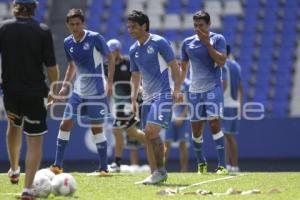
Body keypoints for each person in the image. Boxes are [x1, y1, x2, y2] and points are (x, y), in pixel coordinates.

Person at [0, 0, 59, 199]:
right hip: (35, 93)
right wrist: (54, 88)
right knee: (34, 141)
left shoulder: (3, 28)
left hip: (10, 91)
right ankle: (27, 189)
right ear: (34, 8)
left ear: (14, 7)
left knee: (14, 125)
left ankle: (14, 168)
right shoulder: (42, 30)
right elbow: (51, 66)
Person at [49, 9, 115, 176]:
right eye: (72, 24)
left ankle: (104, 168)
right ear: (67, 25)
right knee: (65, 123)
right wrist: (65, 86)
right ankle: (57, 165)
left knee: (96, 129)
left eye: (78, 24)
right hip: (78, 91)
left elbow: (111, 58)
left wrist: (110, 83)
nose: (75, 27)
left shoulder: (95, 38)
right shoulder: (67, 42)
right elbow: (72, 66)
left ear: (83, 23)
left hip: (96, 91)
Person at [127, 10, 182, 184]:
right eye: (128, 27)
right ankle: (154, 174)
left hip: (164, 94)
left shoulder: (159, 43)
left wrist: (178, 89)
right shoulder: (133, 49)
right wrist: (133, 99)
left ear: (144, 26)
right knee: (148, 136)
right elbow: (135, 76)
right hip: (147, 98)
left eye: (134, 26)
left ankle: (161, 171)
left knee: (151, 131)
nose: (130, 30)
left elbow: (175, 67)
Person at [180, 10, 228, 175]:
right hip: (194, 90)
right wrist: (177, 88)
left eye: (201, 25)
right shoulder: (187, 43)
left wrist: (207, 43)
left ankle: (222, 165)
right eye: (195, 25)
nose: (198, 28)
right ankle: (201, 162)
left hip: (212, 87)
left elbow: (221, 61)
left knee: (214, 124)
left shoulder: (217, 39)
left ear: (209, 25)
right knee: (196, 130)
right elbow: (183, 68)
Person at [104, 39, 155, 173]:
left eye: (111, 51)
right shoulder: (106, 66)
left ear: (118, 50)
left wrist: (138, 93)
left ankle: (117, 163)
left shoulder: (128, 62)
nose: (108, 54)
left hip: (131, 101)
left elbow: (137, 78)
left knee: (116, 130)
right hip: (119, 103)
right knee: (132, 132)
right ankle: (156, 146)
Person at [163, 68, 191, 172]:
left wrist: (182, 117)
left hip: (184, 118)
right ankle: (161, 170)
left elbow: (191, 103)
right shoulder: (168, 84)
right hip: (170, 118)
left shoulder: (188, 84)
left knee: (183, 144)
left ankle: (184, 170)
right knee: (166, 144)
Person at [222, 45, 243, 173]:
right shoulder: (236, 65)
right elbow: (241, 86)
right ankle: (229, 165)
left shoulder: (223, 65)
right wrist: (240, 103)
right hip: (234, 104)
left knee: (229, 136)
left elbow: (223, 84)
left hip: (226, 104)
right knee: (228, 136)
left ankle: (234, 166)